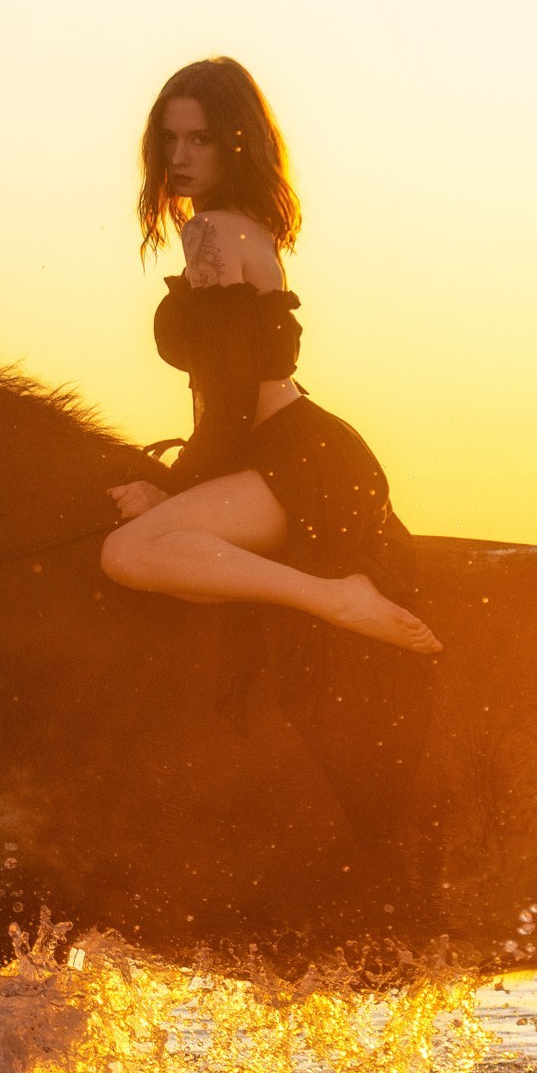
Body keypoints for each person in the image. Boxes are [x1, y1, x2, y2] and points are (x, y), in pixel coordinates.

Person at [100, 58, 442, 656]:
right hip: (299, 449)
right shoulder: (246, 225)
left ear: (235, 143)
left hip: (286, 458)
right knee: (195, 576)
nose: (179, 156)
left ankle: (336, 599)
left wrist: (178, 490)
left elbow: (230, 387)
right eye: (169, 138)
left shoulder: (208, 230)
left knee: (126, 553)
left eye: (200, 138)